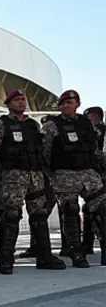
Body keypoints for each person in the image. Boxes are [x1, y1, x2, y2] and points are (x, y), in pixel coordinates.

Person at [0, 89, 66, 274]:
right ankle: (6, 258)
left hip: (35, 176)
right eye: (17, 100)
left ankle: (44, 255)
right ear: (8, 104)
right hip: (13, 176)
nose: (21, 102)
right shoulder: (1, 124)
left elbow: (42, 149)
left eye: (23, 99)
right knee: (12, 215)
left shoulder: (33, 125)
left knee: (39, 215)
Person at [42, 90, 106, 267]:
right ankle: (77, 254)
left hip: (88, 172)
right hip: (64, 173)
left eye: (69, 102)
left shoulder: (86, 124)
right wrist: (52, 175)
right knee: (70, 211)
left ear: (77, 104)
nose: (66, 106)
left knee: (102, 208)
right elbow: (45, 153)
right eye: (63, 103)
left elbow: (94, 148)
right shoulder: (52, 126)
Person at [82, 106, 105, 254]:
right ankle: (88, 243)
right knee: (89, 209)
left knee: (98, 210)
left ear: (96, 116)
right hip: (96, 175)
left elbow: (99, 155)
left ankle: (94, 243)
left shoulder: (99, 132)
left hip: (101, 175)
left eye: (89, 117)